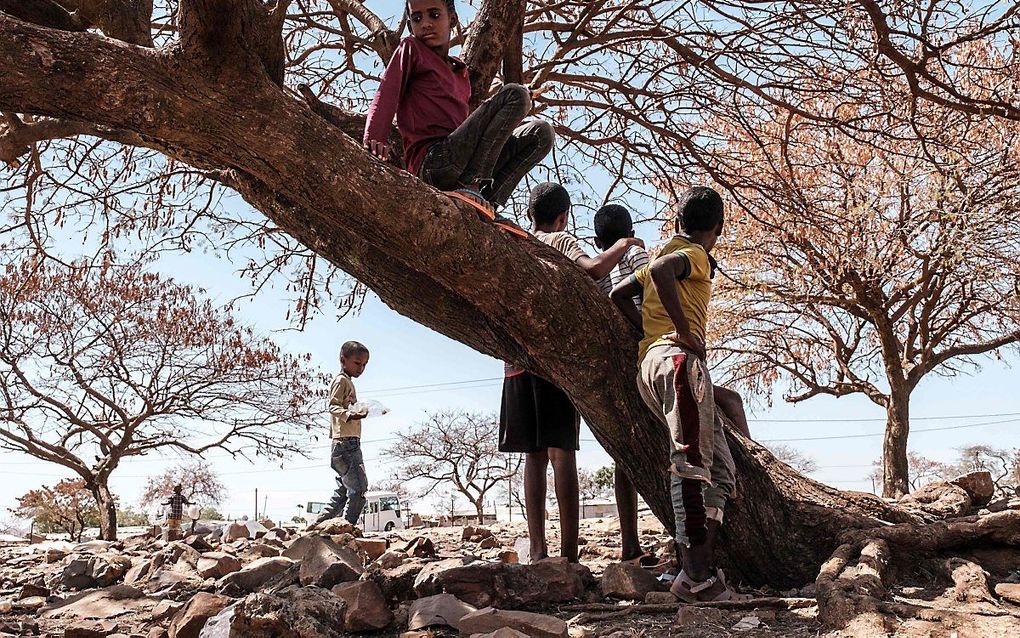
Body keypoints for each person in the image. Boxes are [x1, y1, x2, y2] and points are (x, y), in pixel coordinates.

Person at [610, 186, 748, 601]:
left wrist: (650, 335)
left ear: (676, 223)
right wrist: (682, 333)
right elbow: (661, 272)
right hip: (677, 363)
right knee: (690, 463)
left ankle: (698, 564)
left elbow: (620, 294)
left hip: (656, 364)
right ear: (717, 229)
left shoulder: (662, 251)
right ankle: (695, 577)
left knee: (721, 471)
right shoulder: (694, 255)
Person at [500, 183, 644, 563]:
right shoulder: (560, 239)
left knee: (533, 456)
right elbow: (594, 268)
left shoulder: (513, 241)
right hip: (552, 361)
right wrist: (626, 244)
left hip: (515, 362)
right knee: (561, 452)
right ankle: (568, 555)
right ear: (563, 215)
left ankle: (536, 548)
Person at [363, 0, 554, 227]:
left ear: (452, 19)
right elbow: (388, 89)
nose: (425, 24)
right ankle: (472, 187)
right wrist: (375, 135)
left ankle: (488, 202)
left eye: (434, 15)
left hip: (460, 160)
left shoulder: (459, 71)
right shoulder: (412, 48)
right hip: (434, 162)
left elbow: (480, 133)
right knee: (515, 95)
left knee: (541, 133)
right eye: (416, 18)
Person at [592, 203, 657, 566]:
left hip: (617, 359)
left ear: (598, 239)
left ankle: (629, 540)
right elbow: (650, 287)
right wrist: (646, 329)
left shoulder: (602, 263)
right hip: (641, 349)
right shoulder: (635, 251)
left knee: (624, 453)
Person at [315, 341, 371, 526]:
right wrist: (350, 415)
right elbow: (332, 406)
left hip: (345, 443)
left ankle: (316, 527)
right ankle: (346, 530)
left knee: (343, 492)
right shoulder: (341, 381)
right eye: (357, 363)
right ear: (343, 359)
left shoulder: (348, 382)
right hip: (346, 445)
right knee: (359, 489)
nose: (361, 368)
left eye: (364, 365)